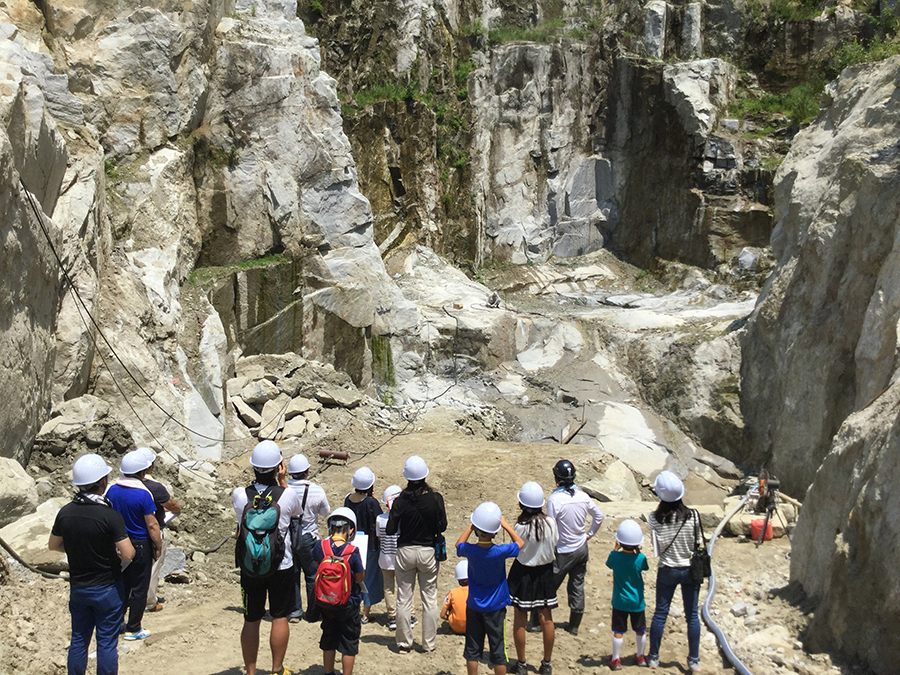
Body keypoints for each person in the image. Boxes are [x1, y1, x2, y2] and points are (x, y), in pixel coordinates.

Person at [49, 454, 135, 675]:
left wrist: (80, 549)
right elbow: (128, 554)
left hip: (79, 587)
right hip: (107, 587)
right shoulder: (109, 515)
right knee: (106, 642)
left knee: (79, 640)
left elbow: (54, 545)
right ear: (102, 481)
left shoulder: (65, 512)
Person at [232, 440, 303, 675]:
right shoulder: (288, 495)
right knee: (279, 616)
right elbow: (296, 514)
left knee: (251, 618)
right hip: (281, 564)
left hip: (250, 565)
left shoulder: (239, 495)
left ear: (252, 466)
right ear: (279, 466)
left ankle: (250, 672)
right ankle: (276, 670)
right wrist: (283, 481)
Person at [385, 455, 447, 653]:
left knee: (404, 598)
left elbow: (390, 530)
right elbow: (443, 525)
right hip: (428, 551)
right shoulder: (436, 499)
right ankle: (429, 644)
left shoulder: (399, 502)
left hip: (405, 551)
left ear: (407, 477)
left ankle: (404, 643)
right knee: (429, 597)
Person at [456, 502, 525, 675]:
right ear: (495, 531)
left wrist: (471, 527)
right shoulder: (500, 551)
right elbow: (520, 543)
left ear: (477, 529)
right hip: (495, 608)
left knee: (472, 650)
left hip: (474, 605)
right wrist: (505, 524)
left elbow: (459, 544)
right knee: (498, 651)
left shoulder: (470, 550)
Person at [646, 471, 705, 672]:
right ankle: (694, 660)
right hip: (690, 570)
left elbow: (657, 549)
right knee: (693, 616)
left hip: (667, 569)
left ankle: (653, 657)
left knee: (660, 614)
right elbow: (698, 544)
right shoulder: (694, 516)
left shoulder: (653, 519)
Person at [106, 450, 162, 641]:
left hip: (119, 544)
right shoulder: (142, 494)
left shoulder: (112, 490)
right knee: (139, 588)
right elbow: (152, 525)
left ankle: (117, 623)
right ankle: (133, 628)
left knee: (122, 585)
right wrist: (158, 546)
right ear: (142, 471)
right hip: (139, 545)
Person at [546, 459, 604, 636]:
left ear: (557, 478)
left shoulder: (555, 500)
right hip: (581, 548)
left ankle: (536, 621)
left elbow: (550, 528)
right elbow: (599, 516)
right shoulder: (583, 497)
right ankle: (574, 625)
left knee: (549, 586)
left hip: (563, 550)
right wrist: (589, 534)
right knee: (577, 585)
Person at [508, 482, 559, 675]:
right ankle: (546, 663)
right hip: (545, 573)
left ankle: (521, 663)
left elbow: (517, 549)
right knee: (547, 619)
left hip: (523, 573)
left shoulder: (520, 527)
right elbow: (555, 544)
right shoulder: (551, 523)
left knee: (520, 619)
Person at [312, 507, 366, 675]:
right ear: (350, 530)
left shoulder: (320, 547)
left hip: (326, 601)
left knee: (328, 637)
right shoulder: (353, 552)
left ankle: (328, 672)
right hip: (349, 603)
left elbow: (316, 566)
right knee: (349, 642)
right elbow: (359, 578)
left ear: (331, 528)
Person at [286, 453, 330, 622]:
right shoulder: (316, 490)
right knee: (312, 574)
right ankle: (313, 612)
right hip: (308, 537)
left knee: (293, 574)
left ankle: (295, 611)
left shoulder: (284, 489)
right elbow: (325, 513)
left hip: (289, 538)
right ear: (307, 470)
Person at [136, 447, 181, 613]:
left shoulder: (119, 487)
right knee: (153, 567)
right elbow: (173, 506)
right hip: (153, 530)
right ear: (149, 466)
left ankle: (129, 597)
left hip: (129, 531)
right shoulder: (155, 488)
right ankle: (148, 602)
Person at [605, 519, 650, 670]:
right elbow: (645, 567)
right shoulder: (640, 559)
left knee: (618, 630)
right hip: (637, 601)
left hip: (619, 601)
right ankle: (640, 656)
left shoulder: (614, 556)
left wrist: (615, 549)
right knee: (640, 629)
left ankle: (616, 659)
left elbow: (609, 563)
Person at [343, 466, 384, 623]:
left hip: (351, 543)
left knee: (352, 577)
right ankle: (365, 613)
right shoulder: (371, 503)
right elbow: (379, 521)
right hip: (370, 546)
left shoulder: (348, 499)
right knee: (368, 578)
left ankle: (352, 607)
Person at [376, 484, 411, 630]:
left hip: (385, 558)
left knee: (388, 588)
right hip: (401, 558)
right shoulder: (404, 519)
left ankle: (392, 616)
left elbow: (379, 537)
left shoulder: (379, 519)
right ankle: (410, 614)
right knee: (405, 587)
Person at [440, 559, 469, 635]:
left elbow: (442, 615)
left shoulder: (453, 592)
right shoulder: (476, 591)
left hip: (456, 628)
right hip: (472, 627)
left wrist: (450, 619)